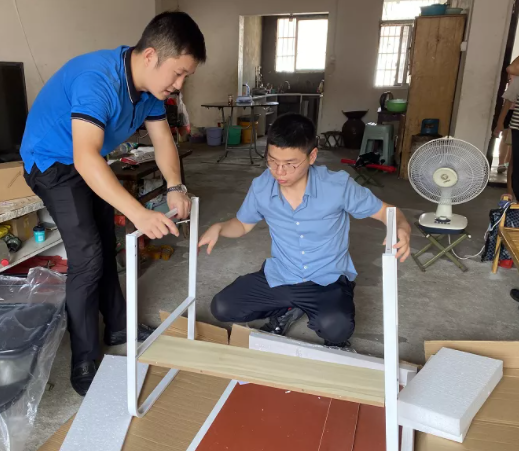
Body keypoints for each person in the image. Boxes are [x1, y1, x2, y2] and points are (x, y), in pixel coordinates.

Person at [20, 12, 206, 395]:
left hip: (86, 160)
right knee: (87, 255)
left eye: (186, 76)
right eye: (178, 73)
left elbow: (163, 141)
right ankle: (84, 358)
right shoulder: (98, 80)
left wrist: (175, 185)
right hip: (51, 162)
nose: (179, 84)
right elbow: (85, 157)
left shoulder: (151, 91)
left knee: (106, 244)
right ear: (151, 56)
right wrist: (138, 212)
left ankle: (119, 326)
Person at [198, 113, 411, 346]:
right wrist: (219, 227)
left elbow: (386, 211)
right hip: (282, 275)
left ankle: (302, 308)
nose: (279, 171)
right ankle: (288, 308)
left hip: (327, 281)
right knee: (223, 308)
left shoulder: (337, 186)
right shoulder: (261, 186)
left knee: (336, 330)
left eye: (290, 164)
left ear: (312, 156)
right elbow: (242, 224)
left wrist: (401, 227)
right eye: (272, 161)